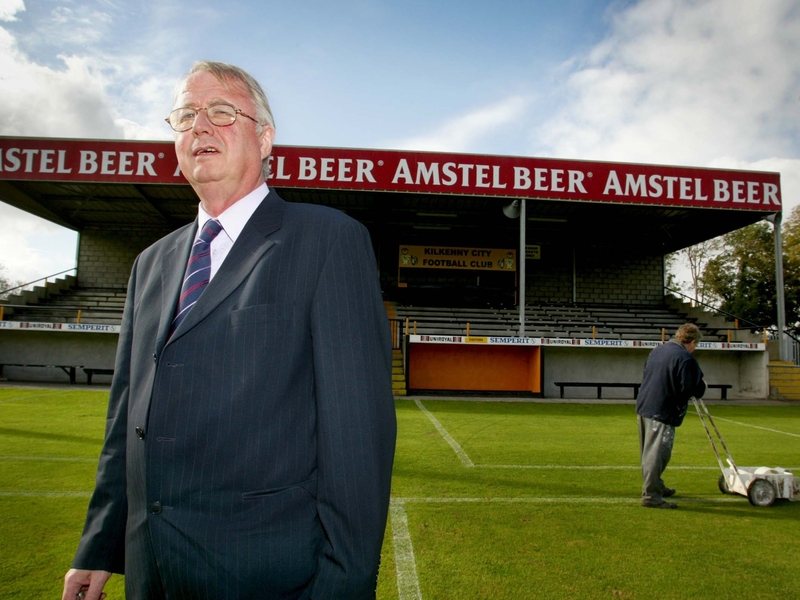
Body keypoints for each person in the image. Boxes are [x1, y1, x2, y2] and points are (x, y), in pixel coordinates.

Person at [62, 61, 397, 600]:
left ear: (265, 139)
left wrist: (344, 586)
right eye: (186, 116)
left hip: (266, 576)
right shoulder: (150, 262)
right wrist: (101, 546)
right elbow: (126, 419)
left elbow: (358, 441)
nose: (200, 127)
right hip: (154, 574)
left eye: (221, 112)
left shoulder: (328, 242)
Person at [636, 323, 705, 509]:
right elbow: (691, 387)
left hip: (645, 406)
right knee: (658, 454)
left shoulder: (658, 351)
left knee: (648, 451)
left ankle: (656, 485)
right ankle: (651, 496)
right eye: (695, 345)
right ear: (691, 342)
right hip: (662, 409)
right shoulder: (685, 358)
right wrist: (700, 388)